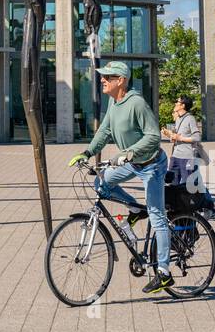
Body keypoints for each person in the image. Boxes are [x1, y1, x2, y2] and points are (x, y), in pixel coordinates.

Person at [68, 61, 174, 295]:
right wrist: (86, 153)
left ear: (121, 80)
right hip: (132, 163)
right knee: (101, 183)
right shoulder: (114, 102)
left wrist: (128, 153)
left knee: (157, 216)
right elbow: (104, 131)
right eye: (103, 76)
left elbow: (154, 136)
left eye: (108, 76)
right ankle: (136, 210)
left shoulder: (136, 103)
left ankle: (164, 273)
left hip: (152, 164)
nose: (103, 80)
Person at [169, 95, 215, 215]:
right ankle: (177, 208)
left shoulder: (190, 119)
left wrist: (180, 138)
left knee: (190, 186)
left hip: (187, 157)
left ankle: (208, 206)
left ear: (183, 105)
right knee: (172, 183)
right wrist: (172, 136)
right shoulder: (178, 118)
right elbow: (178, 137)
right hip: (175, 156)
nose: (175, 103)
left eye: (177, 101)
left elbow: (196, 137)